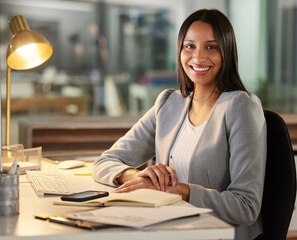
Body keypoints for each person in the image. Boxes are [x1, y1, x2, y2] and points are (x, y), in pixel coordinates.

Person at [93, 9, 267, 240]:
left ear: (227, 51)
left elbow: (246, 206)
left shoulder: (241, 107)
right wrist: (139, 176)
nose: (198, 57)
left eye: (211, 47)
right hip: (169, 228)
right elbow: (105, 161)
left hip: (216, 234)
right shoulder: (168, 103)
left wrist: (180, 190)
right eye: (190, 46)